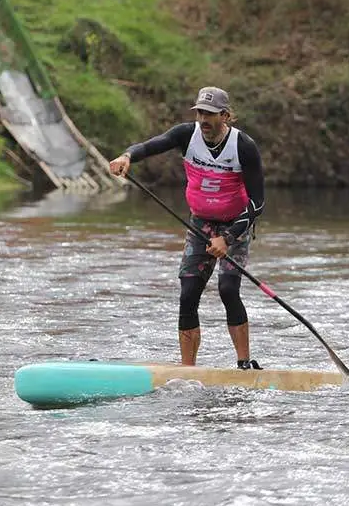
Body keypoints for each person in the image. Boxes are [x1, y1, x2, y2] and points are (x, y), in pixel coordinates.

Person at [109, 87, 265, 370]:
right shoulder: (186, 134)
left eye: (210, 114)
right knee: (188, 293)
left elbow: (258, 202)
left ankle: (244, 364)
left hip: (235, 225)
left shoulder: (244, 146)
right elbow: (153, 145)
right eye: (200, 113)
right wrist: (127, 156)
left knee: (228, 290)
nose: (203, 119)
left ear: (226, 116)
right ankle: (188, 370)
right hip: (200, 225)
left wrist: (228, 238)